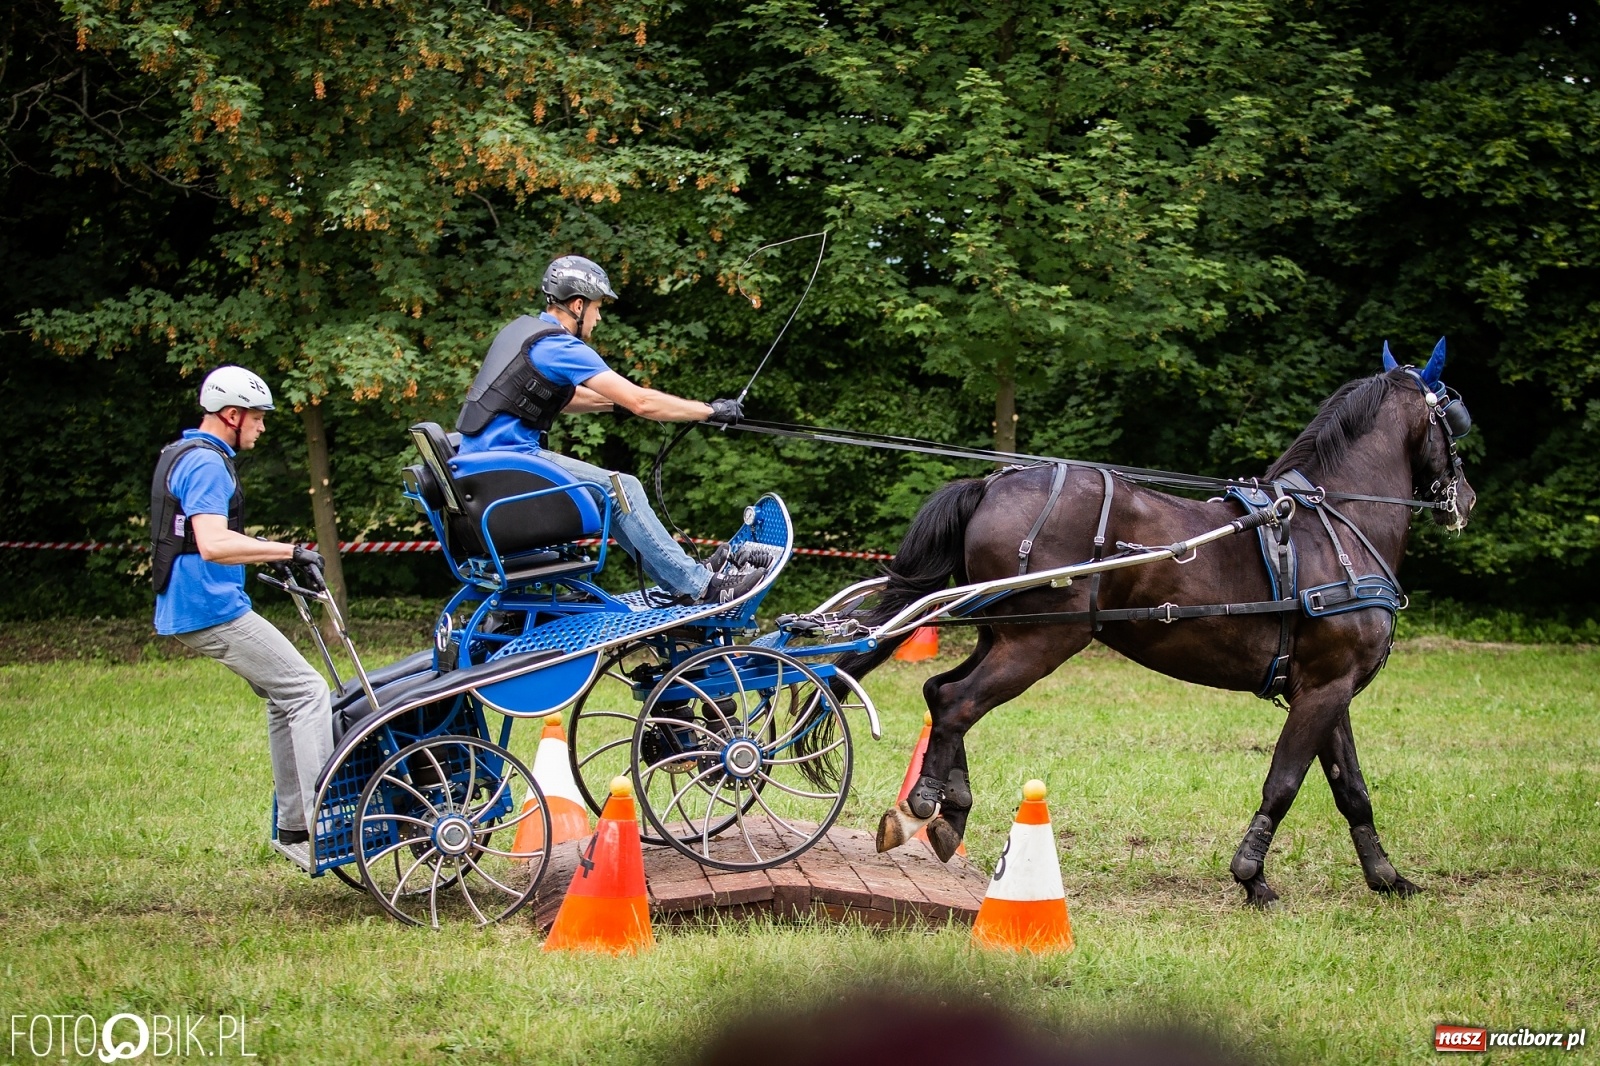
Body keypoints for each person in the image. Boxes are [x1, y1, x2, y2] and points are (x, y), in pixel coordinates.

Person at [456, 254, 772, 603]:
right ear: (578, 305)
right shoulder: (559, 346)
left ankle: (681, 576)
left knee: (614, 496)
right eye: (597, 307)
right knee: (623, 490)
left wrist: (615, 404)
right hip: (508, 468)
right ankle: (699, 588)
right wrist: (709, 411)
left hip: (484, 469)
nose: (599, 316)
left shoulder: (527, 334)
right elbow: (642, 401)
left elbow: (568, 396)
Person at [150, 365, 333, 858]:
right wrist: (288, 551)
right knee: (307, 691)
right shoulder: (208, 464)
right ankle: (325, 822)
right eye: (257, 417)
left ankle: (295, 830)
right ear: (231, 414)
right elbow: (211, 543)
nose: (262, 426)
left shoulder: (184, 452)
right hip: (210, 609)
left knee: (283, 697)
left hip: (199, 605)